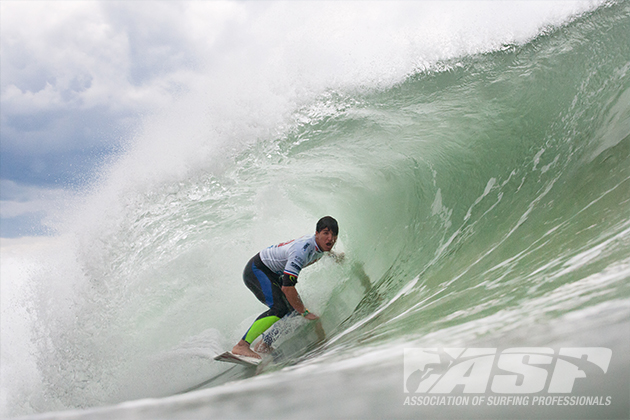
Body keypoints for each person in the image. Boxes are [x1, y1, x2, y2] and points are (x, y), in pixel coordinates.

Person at [232, 216, 341, 359]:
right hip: (257, 270)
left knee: (293, 313)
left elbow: (323, 250)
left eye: (334, 235)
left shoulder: (320, 245)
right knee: (280, 308)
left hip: (272, 274)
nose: (330, 238)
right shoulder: (300, 252)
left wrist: (336, 257)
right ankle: (242, 345)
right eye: (326, 233)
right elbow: (287, 288)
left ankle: (264, 344)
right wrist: (304, 311)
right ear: (317, 234)